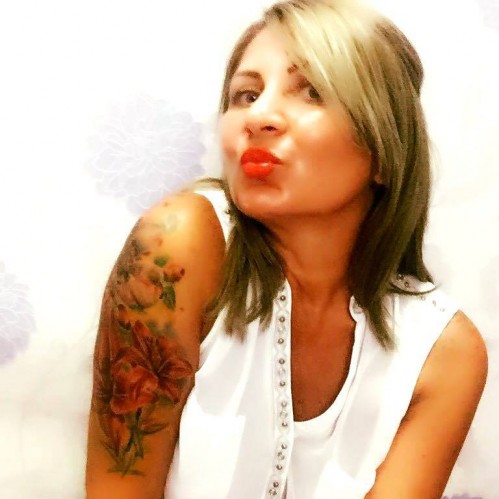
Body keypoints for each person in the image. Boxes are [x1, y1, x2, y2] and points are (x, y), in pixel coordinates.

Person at [85, 0, 488, 497]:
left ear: (386, 149)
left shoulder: (443, 353)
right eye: (246, 94)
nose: (258, 116)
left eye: (312, 91)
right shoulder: (178, 246)